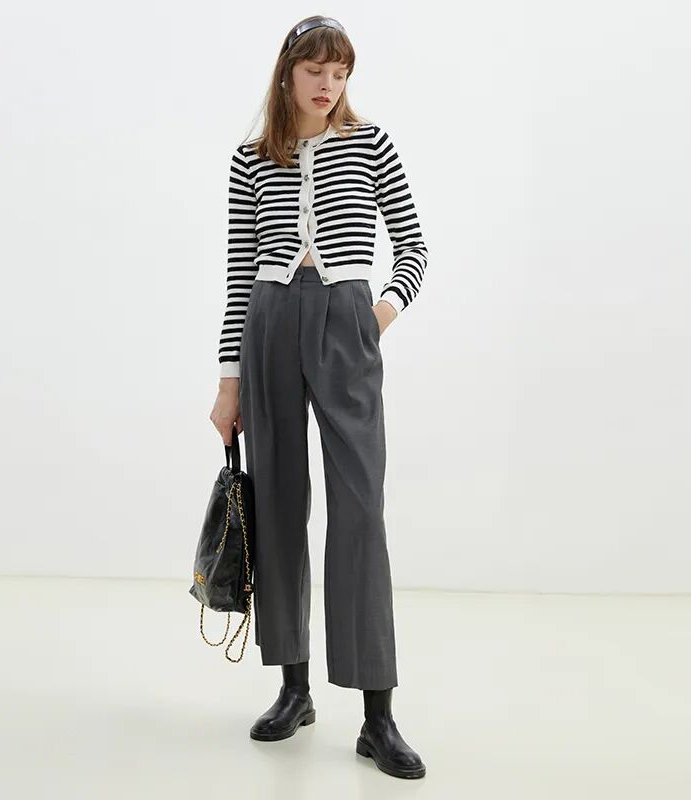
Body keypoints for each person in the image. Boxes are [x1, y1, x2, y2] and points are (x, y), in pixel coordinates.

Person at [209, 16, 429, 780]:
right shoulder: (250, 159)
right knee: (278, 504)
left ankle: (378, 715)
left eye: (339, 71)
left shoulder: (371, 145)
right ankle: (293, 688)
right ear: (287, 73)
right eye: (315, 70)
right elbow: (239, 275)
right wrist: (228, 381)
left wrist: (376, 316)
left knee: (360, 511)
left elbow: (414, 245)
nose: (328, 83)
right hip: (269, 324)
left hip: (346, 321)